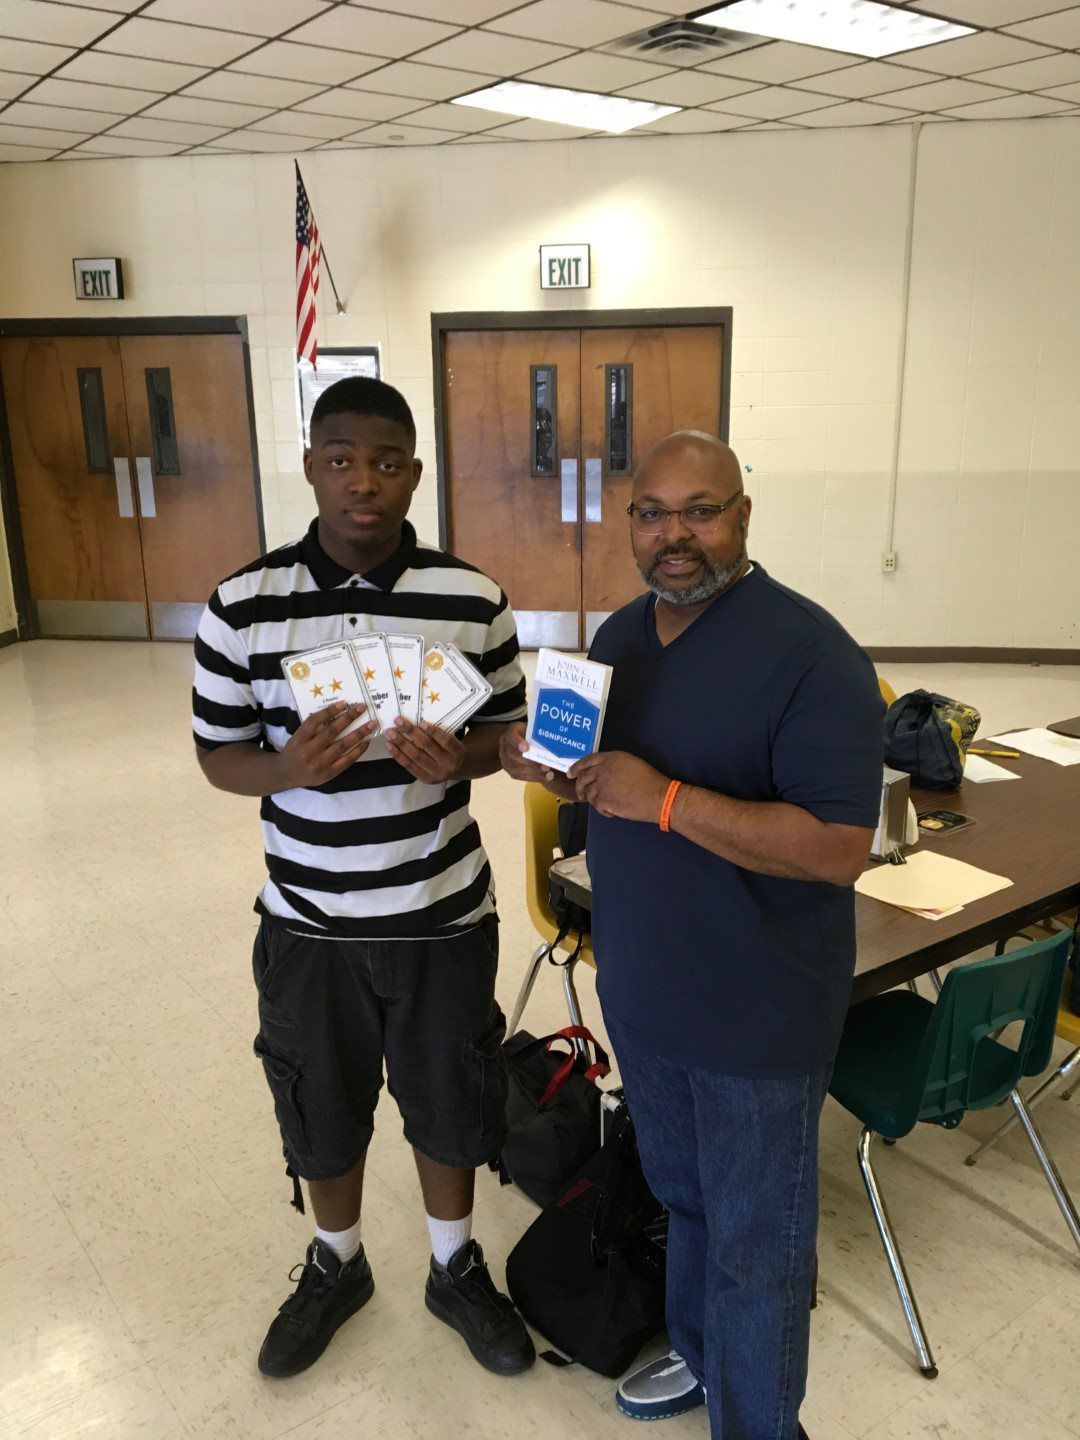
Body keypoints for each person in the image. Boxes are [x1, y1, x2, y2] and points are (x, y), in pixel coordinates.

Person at [500, 431, 883, 1438]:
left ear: (743, 515)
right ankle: (702, 1357)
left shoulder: (813, 655)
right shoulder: (620, 638)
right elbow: (594, 779)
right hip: (647, 993)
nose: (675, 535)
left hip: (757, 1016)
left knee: (760, 1251)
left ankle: (758, 1422)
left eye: (700, 510)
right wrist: (550, 767)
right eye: (651, 512)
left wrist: (662, 799)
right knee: (683, 1202)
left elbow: (838, 846)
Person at [192, 377, 535, 1382]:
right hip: (307, 922)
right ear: (310, 467)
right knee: (320, 1104)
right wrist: (289, 768)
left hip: (440, 911)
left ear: (415, 473)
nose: (364, 485)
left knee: (449, 1098)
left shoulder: (471, 601)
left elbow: (501, 739)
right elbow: (219, 757)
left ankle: (454, 1264)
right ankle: (336, 1263)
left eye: (387, 463)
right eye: (341, 460)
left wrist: (459, 759)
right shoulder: (241, 608)